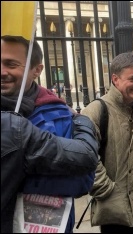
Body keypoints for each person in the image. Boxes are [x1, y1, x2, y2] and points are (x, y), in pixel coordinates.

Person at [1, 35, 95, 233]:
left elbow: (83, 179)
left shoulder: (57, 113)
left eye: (10, 64)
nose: (2, 72)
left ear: (37, 70)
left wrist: (15, 179)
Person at [81, 52, 133, 233]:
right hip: (114, 212)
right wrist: (106, 190)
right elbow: (85, 158)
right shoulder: (95, 111)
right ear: (115, 79)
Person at [1, 111, 99, 233]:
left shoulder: (57, 115)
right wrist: (82, 120)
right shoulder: (12, 126)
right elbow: (86, 156)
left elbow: (82, 180)